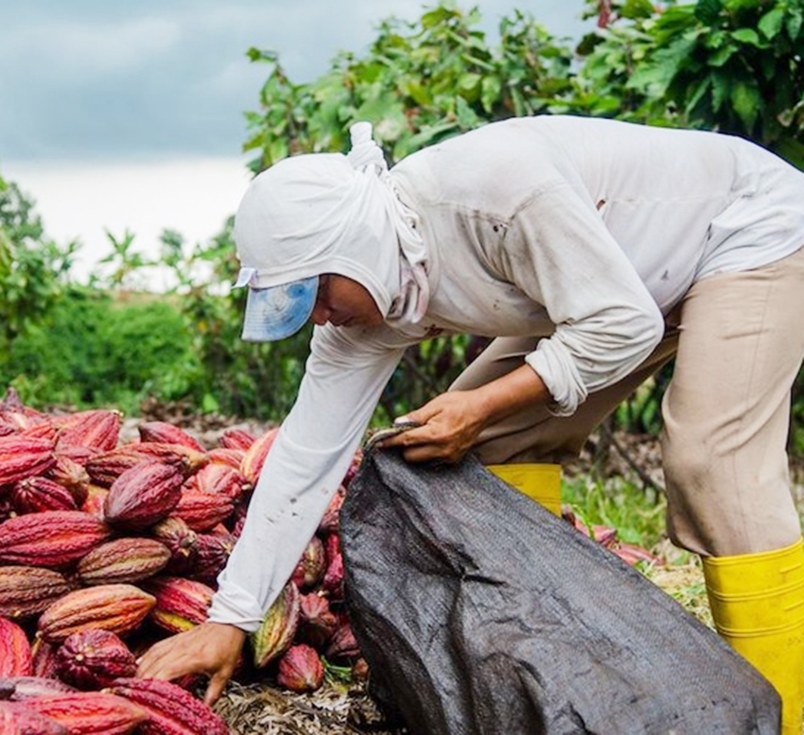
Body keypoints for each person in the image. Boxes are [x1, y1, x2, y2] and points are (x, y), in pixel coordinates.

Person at [134, 115, 804, 733]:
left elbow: (624, 323)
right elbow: (305, 457)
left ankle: (783, 710)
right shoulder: (364, 306)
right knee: (480, 446)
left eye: (317, 293)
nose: (318, 317)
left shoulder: (492, 195)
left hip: (746, 232)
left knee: (712, 461)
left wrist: (480, 404)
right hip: (622, 280)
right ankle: (533, 650)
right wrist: (231, 618)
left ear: (355, 248)